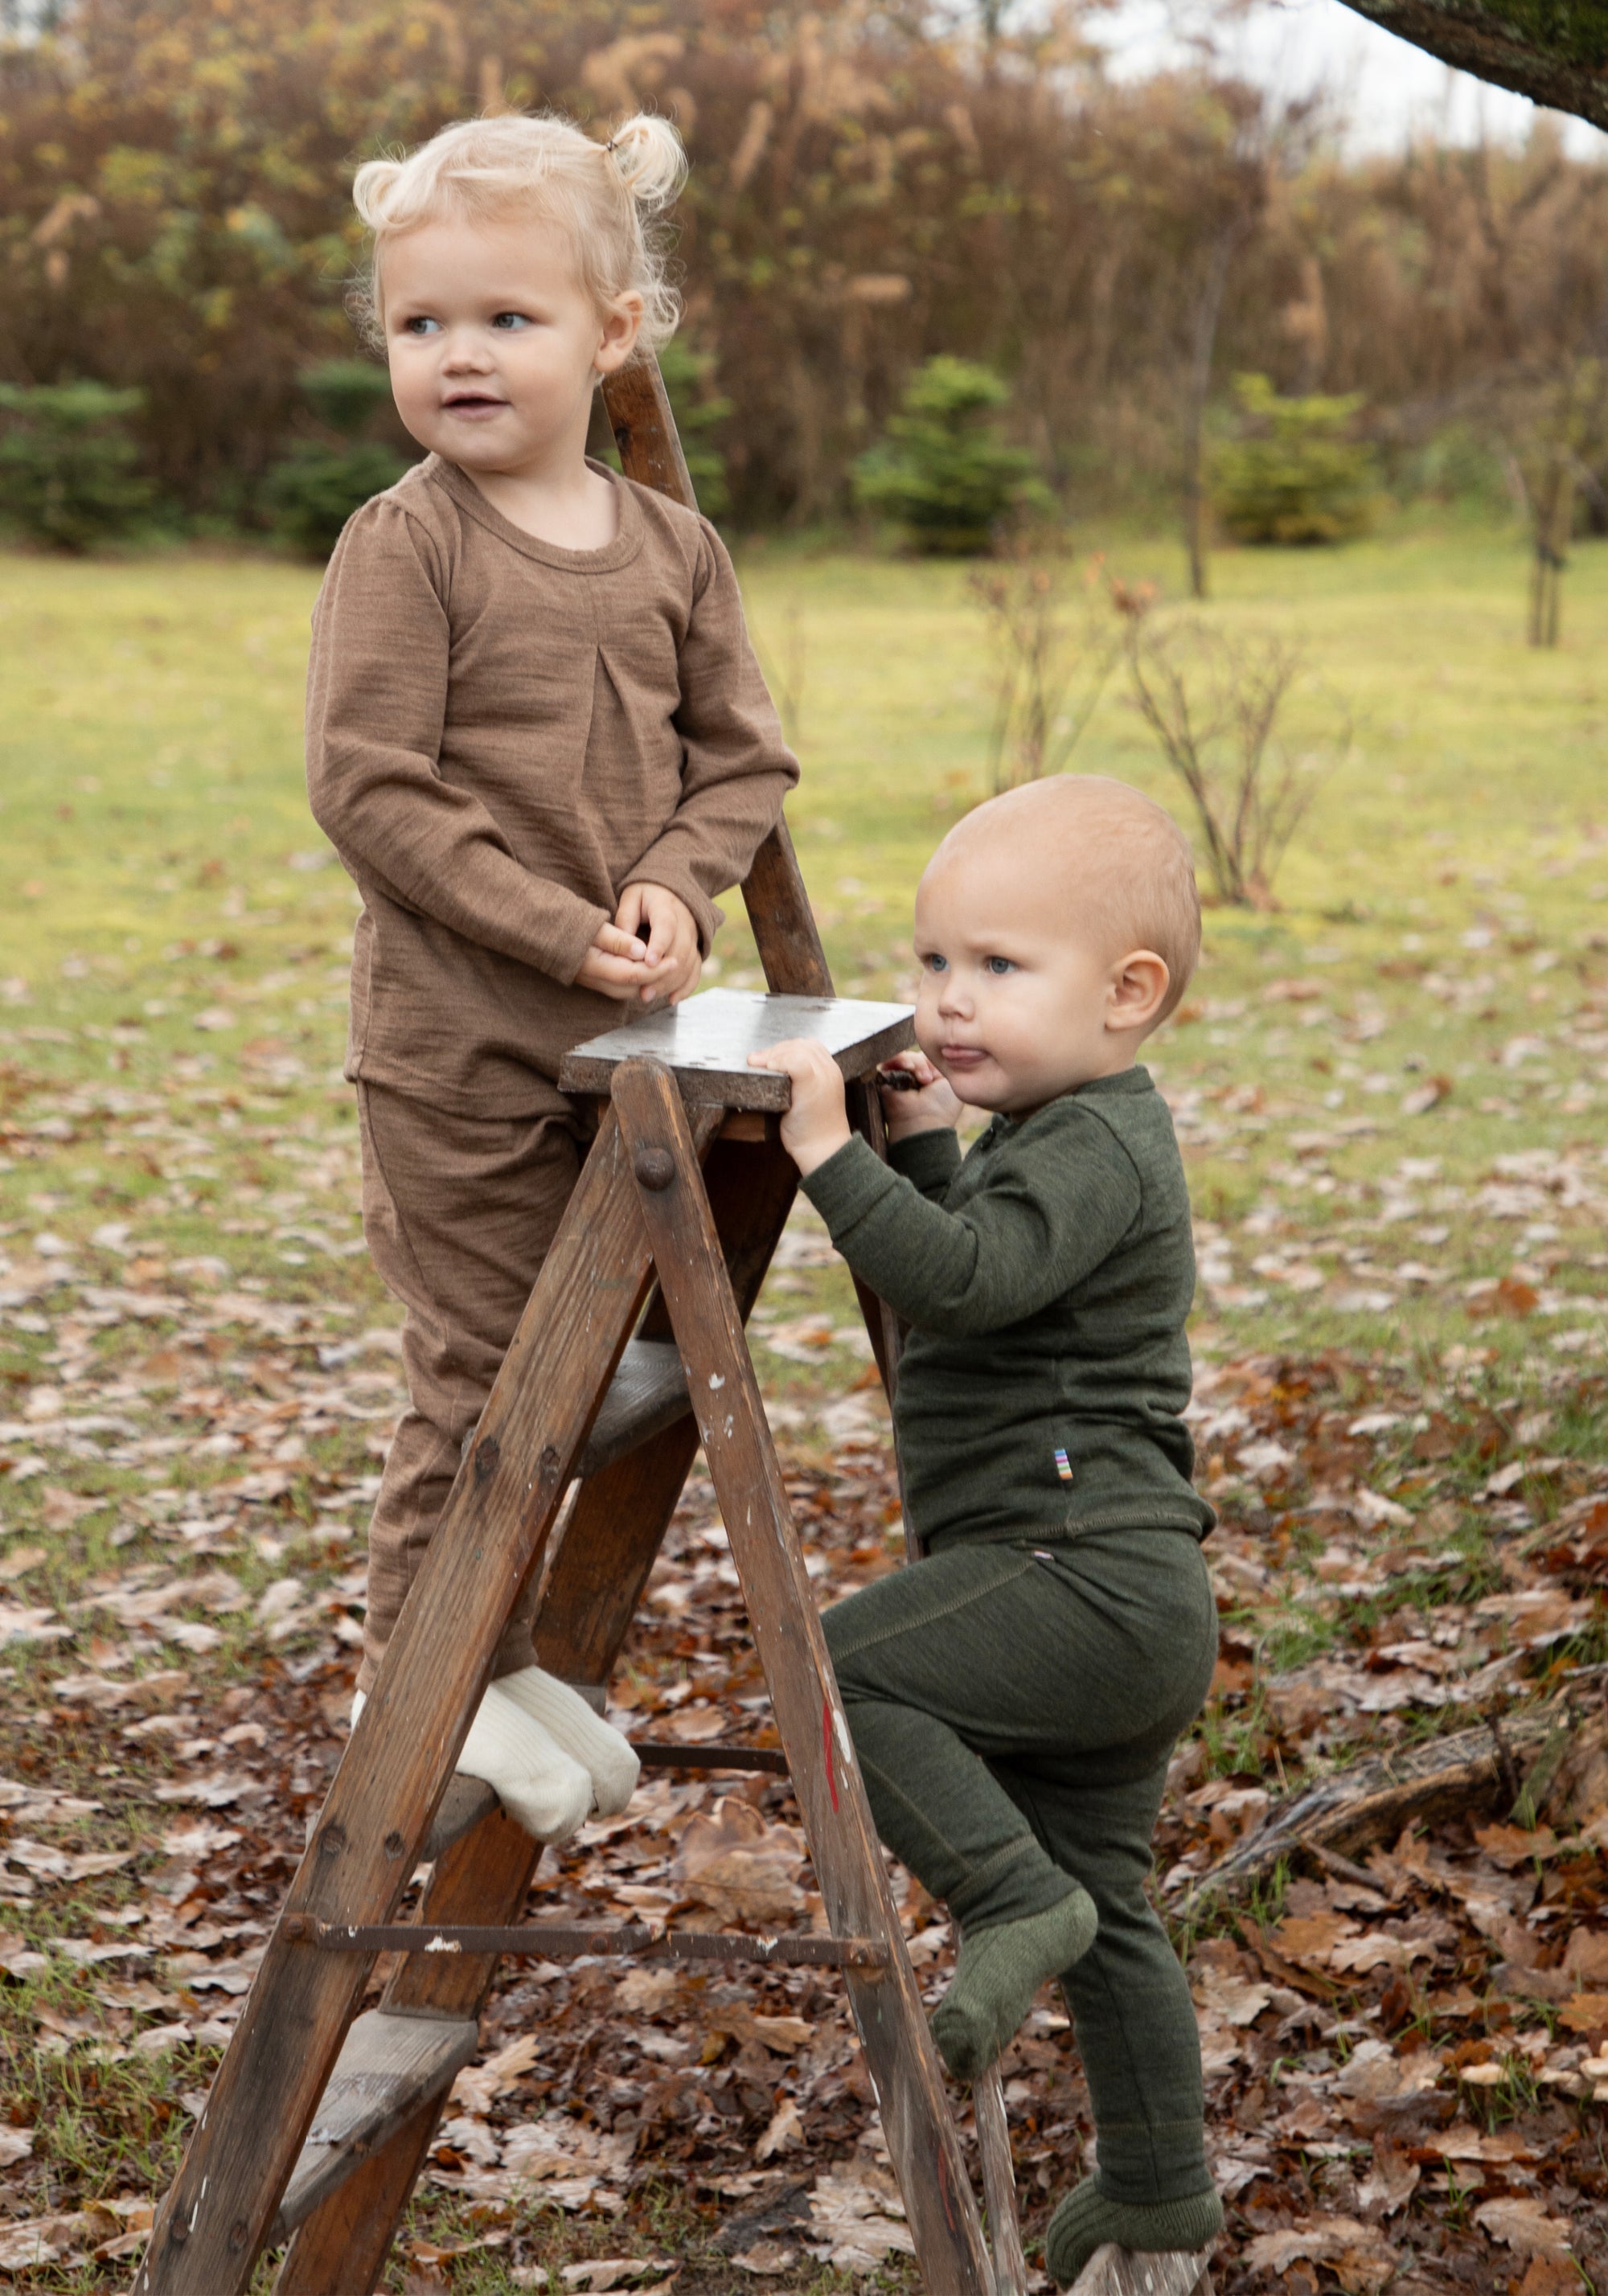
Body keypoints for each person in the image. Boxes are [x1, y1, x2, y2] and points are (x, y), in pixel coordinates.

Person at [306, 110, 798, 1840]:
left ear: (613, 332)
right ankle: (416, 1683)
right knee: (482, 1371)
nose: (457, 354)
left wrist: (670, 884)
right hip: (457, 1046)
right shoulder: (410, 544)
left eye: (505, 319)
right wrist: (544, 921)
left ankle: (497, 1658)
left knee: (583, 1366)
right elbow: (369, 785)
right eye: (419, 323)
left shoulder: (672, 551)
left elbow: (743, 763)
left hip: (627, 1045)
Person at [750, 774, 1223, 2286]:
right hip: (1121, 1593)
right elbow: (1002, 1270)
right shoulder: (1063, 1129)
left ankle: (1011, 1899)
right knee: (1116, 1910)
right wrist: (923, 1150)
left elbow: (962, 1284)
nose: (950, 1000)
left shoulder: (1097, 1144)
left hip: (1079, 1576)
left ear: (1127, 995)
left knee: (838, 1672)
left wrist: (830, 1158)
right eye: (936, 961)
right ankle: (1157, 2190)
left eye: (1001, 967)